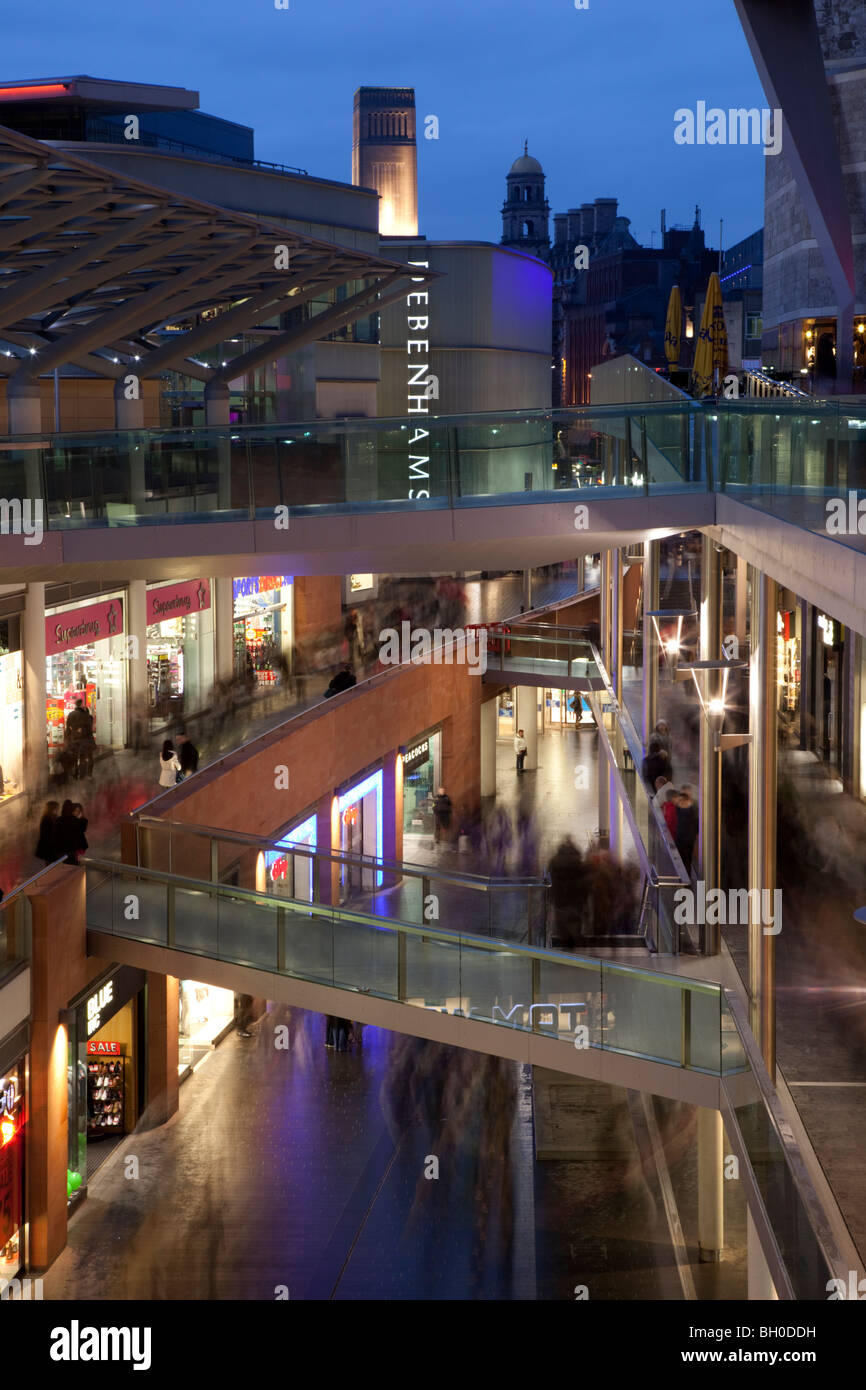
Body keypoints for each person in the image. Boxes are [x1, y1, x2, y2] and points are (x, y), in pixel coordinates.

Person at [65, 698, 94, 779]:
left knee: (74, 757)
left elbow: (68, 728)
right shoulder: (87, 716)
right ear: (81, 705)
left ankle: (74, 774)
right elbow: (89, 729)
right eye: (83, 704)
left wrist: (68, 739)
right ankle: (83, 775)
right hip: (85, 740)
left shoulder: (71, 714)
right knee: (83, 758)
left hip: (74, 739)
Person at [674, 785, 698, 874]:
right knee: (680, 860)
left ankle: (687, 880)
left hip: (689, 838)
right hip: (679, 836)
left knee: (687, 860)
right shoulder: (677, 806)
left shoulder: (694, 806)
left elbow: (697, 822)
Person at [56, 799, 87, 865]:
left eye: (79, 811)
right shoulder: (73, 821)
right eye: (75, 811)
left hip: (71, 850)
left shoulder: (60, 819)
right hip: (68, 850)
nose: (77, 812)